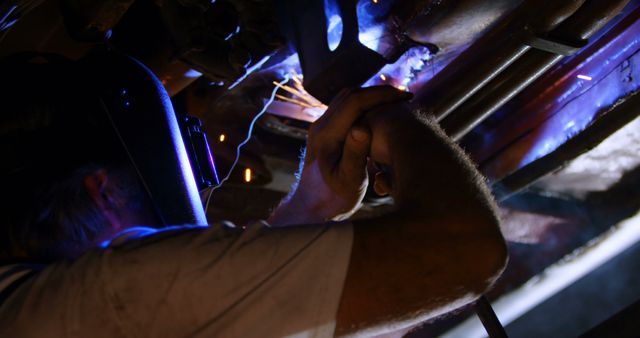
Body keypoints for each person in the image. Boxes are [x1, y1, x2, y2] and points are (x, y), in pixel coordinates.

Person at [0, 54, 507, 337]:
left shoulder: (36, 310)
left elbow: (204, 310)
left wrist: (312, 206)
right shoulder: (109, 294)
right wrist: (399, 118)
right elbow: (461, 251)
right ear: (103, 192)